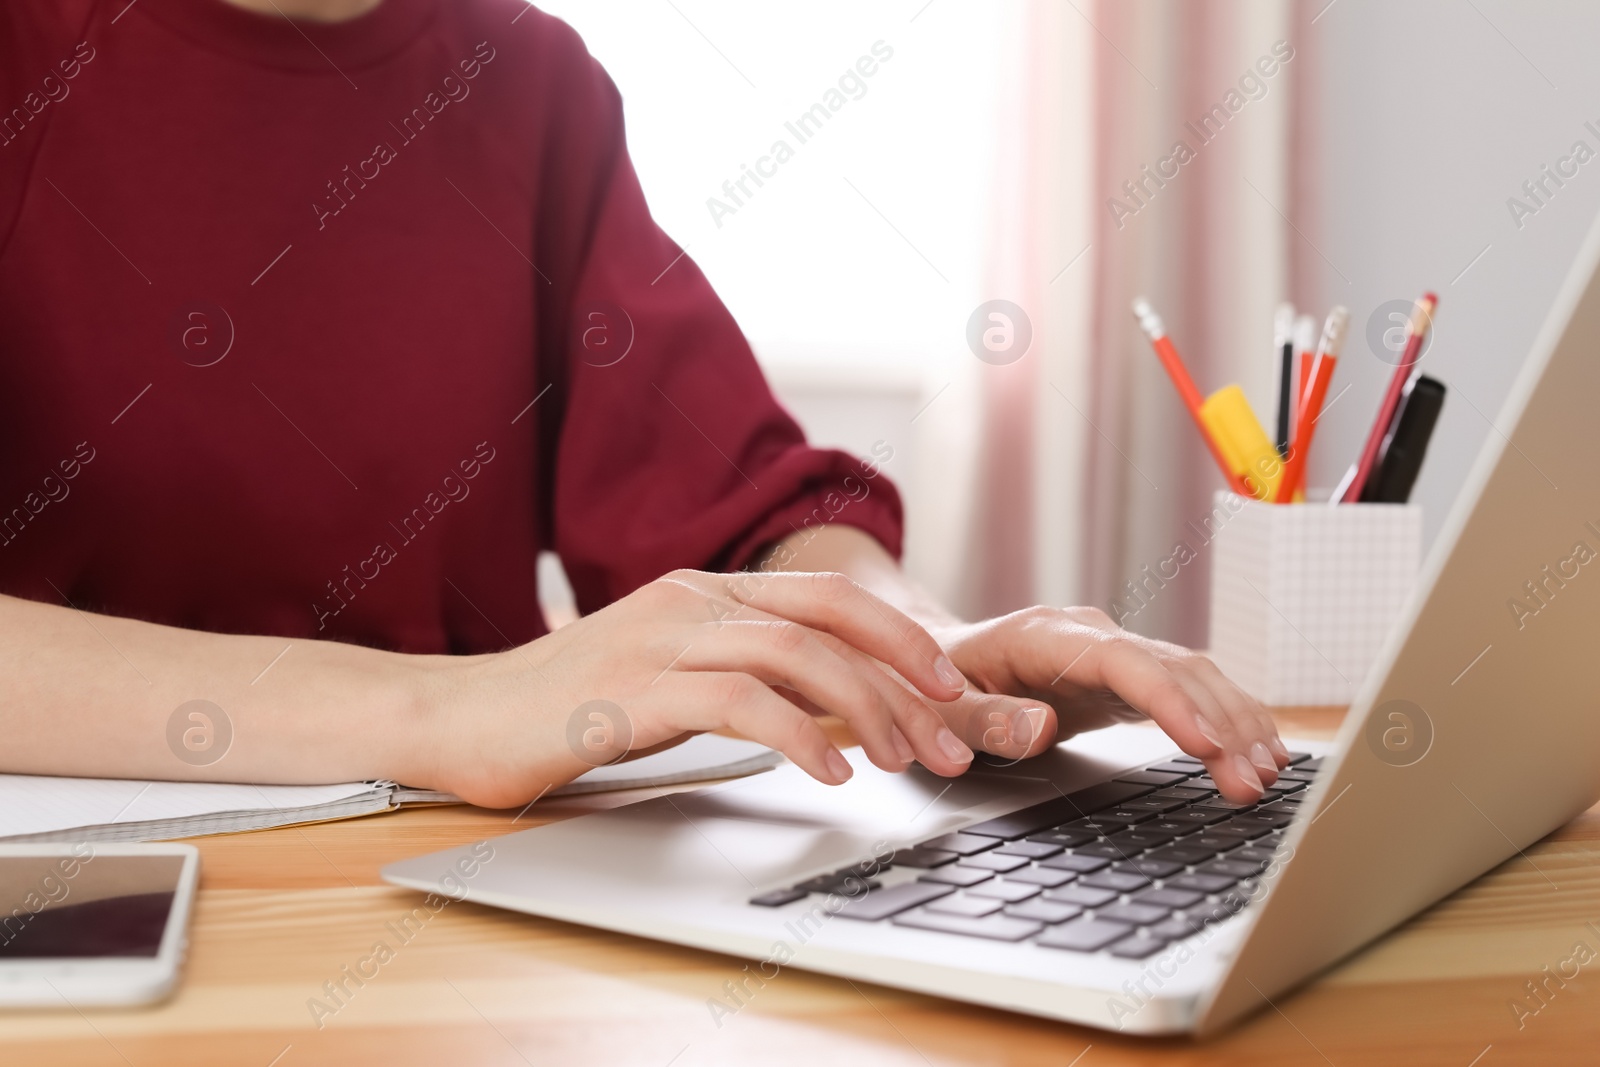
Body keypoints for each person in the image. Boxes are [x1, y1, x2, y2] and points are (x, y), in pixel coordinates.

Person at [0, 0, 1288, 810]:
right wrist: (454, 713)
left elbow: (746, 506)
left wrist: (924, 652)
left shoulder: (525, 78)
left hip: (453, 879)